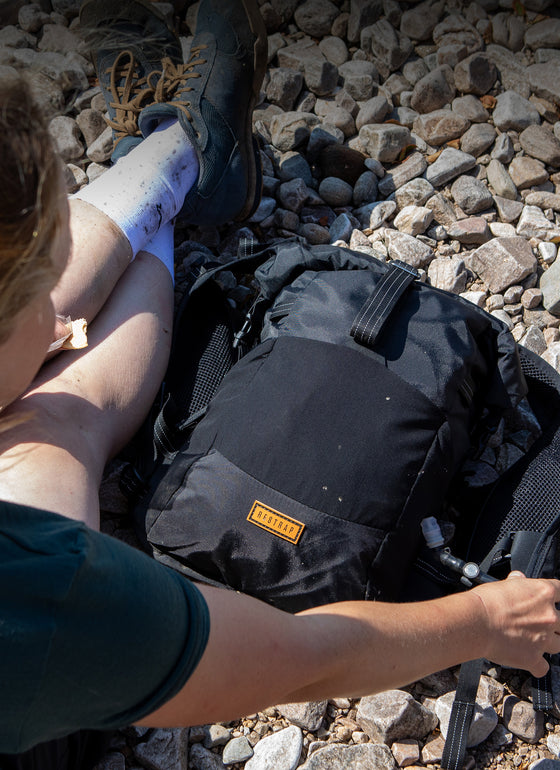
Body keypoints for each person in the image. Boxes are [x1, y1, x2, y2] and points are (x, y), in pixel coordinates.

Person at [0, 0, 559, 767]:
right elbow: (303, 658)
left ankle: (183, 151)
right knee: (60, 424)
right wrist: (486, 618)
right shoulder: (41, 594)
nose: (60, 322)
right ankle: (180, 150)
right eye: (41, 279)